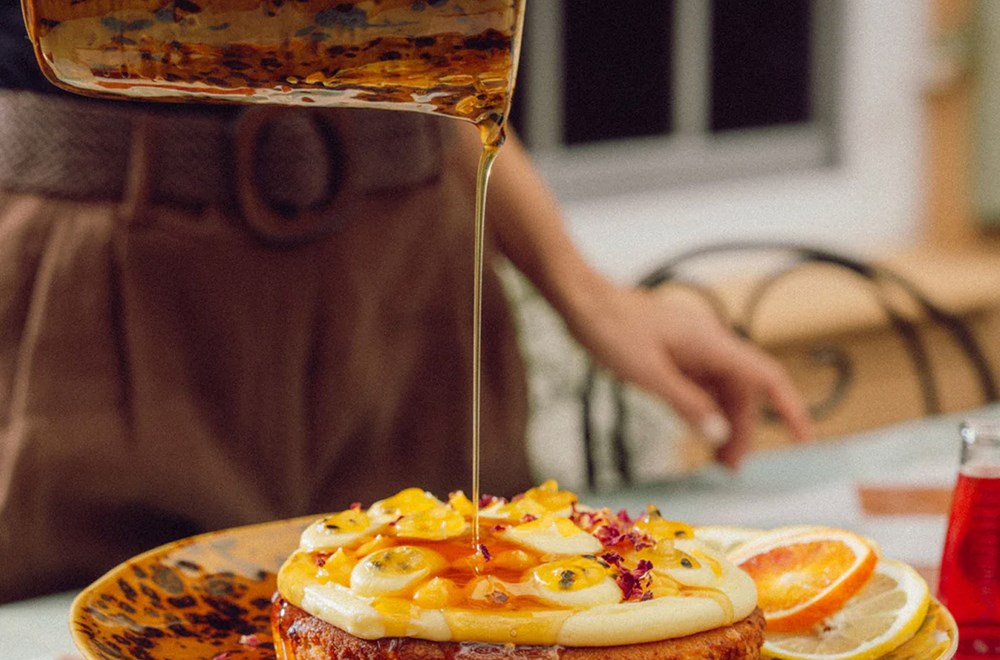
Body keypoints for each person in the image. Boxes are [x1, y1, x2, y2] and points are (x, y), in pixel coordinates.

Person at [0, 1, 810, 603]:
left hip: (409, 289)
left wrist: (586, 291)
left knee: (477, 659)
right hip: (92, 272)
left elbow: (435, 43)